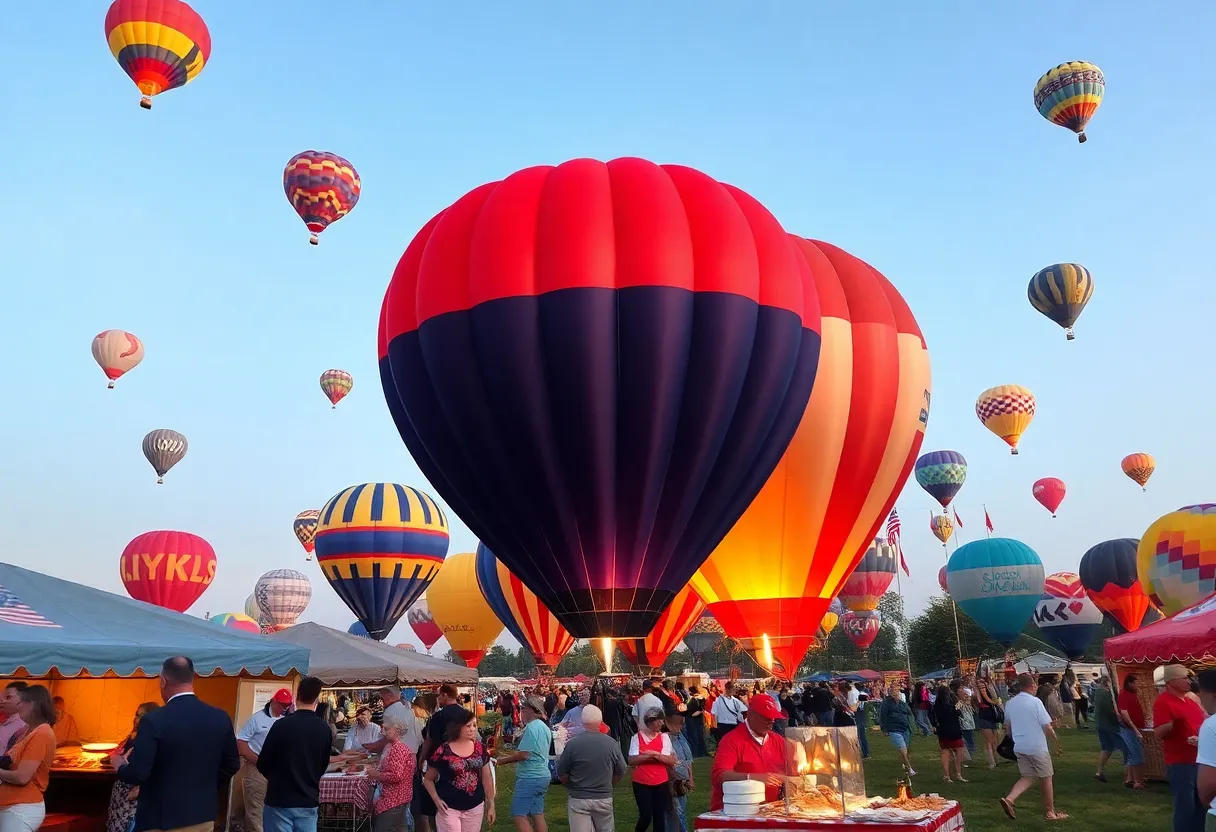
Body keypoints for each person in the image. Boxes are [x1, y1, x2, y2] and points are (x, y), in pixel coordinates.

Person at [111, 656, 240, 832]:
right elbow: (232, 764)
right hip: (202, 817)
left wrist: (119, 764)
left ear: (163, 681)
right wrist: (206, 787)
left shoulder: (153, 720)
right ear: (192, 679)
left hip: (161, 819)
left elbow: (138, 773)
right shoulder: (220, 717)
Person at [256, 676, 332, 832]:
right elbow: (322, 765)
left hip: (279, 798)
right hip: (308, 799)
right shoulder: (324, 729)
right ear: (316, 700)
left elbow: (263, 763)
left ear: (297, 698)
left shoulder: (280, 725)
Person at [998, 673, 1065, 822]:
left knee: (1028, 776)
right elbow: (1047, 726)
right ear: (1033, 685)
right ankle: (1050, 812)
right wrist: (1056, 741)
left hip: (1020, 746)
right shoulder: (1035, 702)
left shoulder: (1010, 703)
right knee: (1046, 778)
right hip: (1036, 746)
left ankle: (1009, 800)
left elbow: (1007, 728)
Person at [709, 692, 786, 812]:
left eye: (772, 721)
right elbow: (719, 775)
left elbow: (793, 770)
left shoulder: (778, 740)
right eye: (766, 720)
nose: (770, 725)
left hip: (772, 810)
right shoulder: (732, 740)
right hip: (738, 811)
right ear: (751, 716)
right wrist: (752, 777)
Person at [422, 708, 495, 832]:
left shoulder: (480, 748)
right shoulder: (443, 751)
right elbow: (428, 779)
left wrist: (491, 803)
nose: (472, 729)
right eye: (468, 726)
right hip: (448, 807)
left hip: (475, 806)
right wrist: (436, 800)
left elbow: (487, 777)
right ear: (457, 727)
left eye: (474, 725)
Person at [1153, 664, 1207, 832]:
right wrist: (1172, 724)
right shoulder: (1163, 701)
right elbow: (1159, 732)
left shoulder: (1191, 701)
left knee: (1202, 804)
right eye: (1185, 678)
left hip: (1199, 758)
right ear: (1172, 682)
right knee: (1185, 807)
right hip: (1180, 762)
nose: (1189, 681)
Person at [557, 705, 627, 832]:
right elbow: (621, 770)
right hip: (603, 797)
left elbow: (562, 773)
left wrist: (572, 785)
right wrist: (609, 783)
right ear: (600, 721)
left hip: (579, 798)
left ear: (582, 722)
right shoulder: (612, 744)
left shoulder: (573, 744)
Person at [0, 686, 56, 832]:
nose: (18, 706)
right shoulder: (26, 731)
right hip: (11, 806)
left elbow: (22, 777)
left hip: (21, 808)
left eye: (21, 702)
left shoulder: (42, 732)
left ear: (33, 704)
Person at [237, 688, 293, 832]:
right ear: (274, 701)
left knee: (276, 810)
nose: (285, 708)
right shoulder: (257, 719)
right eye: (282, 704)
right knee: (256, 810)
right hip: (256, 768)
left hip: (278, 770)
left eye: (288, 705)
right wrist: (260, 762)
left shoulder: (287, 720)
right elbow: (241, 745)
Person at [414, 685, 467, 832]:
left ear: (444, 695)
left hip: (439, 764)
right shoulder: (466, 714)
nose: (437, 699)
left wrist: (422, 758)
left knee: (434, 801)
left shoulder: (439, 716)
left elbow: (429, 740)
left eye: (438, 696)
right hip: (462, 762)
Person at [495, 696, 551, 832]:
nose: (521, 713)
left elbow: (524, 754)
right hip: (542, 775)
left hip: (530, 776)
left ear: (529, 710)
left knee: (519, 814)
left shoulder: (532, 728)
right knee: (537, 813)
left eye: (522, 709)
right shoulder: (544, 727)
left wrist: (501, 761)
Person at [105, 702, 160, 832]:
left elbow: (155, 767)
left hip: (132, 796)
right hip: (122, 794)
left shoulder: (151, 740)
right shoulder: (133, 735)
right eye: (136, 715)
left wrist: (141, 788)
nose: (136, 719)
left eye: (140, 715)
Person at [628, 708, 676, 832]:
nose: (661, 724)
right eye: (658, 721)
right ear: (649, 721)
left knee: (659, 816)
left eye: (662, 721)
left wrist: (654, 755)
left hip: (661, 781)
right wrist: (652, 756)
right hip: (641, 782)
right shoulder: (636, 738)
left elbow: (670, 760)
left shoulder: (664, 738)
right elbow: (632, 760)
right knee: (646, 816)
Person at [371, 712, 416, 832]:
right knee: (400, 827)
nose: (383, 730)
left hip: (393, 799)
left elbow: (396, 776)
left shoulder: (397, 748)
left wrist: (377, 775)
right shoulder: (396, 746)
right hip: (400, 798)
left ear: (397, 730)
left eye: (387, 728)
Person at [1091, 675, 1128, 784]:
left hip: (1100, 725)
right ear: (1108, 683)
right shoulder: (1106, 694)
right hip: (1109, 726)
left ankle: (1099, 771)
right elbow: (1109, 711)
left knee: (1107, 748)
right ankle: (1128, 777)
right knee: (1126, 748)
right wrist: (1119, 721)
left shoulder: (1097, 692)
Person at [664, 710, 693, 832]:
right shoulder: (664, 739)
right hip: (671, 782)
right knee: (676, 813)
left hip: (682, 783)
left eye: (682, 723)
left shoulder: (681, 738)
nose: (681, 726)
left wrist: (690, 778)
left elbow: (688, 760)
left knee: (681, 812)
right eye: (678, 724)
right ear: (668, 723)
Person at [1117, 673, 1148, 789]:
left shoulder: (1132, 695)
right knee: (1137, 755)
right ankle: (1138, 782)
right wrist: (1135, 729)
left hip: (1133, 728)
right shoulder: (1124, 694)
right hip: (1129, 729)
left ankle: (1129, 779)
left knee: (1131, 755)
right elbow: (1124, 713)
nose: (1138, 685)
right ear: (1130, 683)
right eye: (1136, 682)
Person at [932, 685, 966, 783]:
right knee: (958, 752)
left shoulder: (936, 705)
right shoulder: (951, 705)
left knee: (945, 752)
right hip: (954, 730)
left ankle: (946, 775)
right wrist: (958, 708)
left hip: (942, 730)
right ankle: (958, 773)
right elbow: (956, 715)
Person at [879, 687, 915, 775]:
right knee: (903, 749)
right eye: (894, 694)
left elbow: (909, 713)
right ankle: (910, 769)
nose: (896, 696)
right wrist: (884, 729)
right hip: (894, 729)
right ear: (891, 695)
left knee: (905, 750)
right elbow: (882, 716)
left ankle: (905, 766)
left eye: (897, 694)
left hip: (905, 728)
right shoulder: (886, 704)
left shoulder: (903, 704)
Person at [975, 675, 1002, 769]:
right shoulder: (979, 696)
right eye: (980, 687)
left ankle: (996, 759)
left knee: (994, 740)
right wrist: (995, 702)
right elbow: (987, 699)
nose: (982, 688)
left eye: (983, 686)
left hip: (992, 716)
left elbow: (992, 689)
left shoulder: (990, 690)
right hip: (984, 717)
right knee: (989, 741)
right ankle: (991, 762)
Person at [950, 680, 975, 763]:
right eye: (960, 687)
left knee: (969, 738)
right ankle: (965, 757)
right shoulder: (955, 700)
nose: (963, 689)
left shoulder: (966, 697)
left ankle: (969, 756)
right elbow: (957, 710)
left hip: (969, 721)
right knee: (965, 739)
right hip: (963, 722)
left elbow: (972, 708)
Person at [0, 685, 26, 755]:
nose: (2, 701)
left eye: (8, 697)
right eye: (2, 697)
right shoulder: (6, 721)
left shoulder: (23, 726)